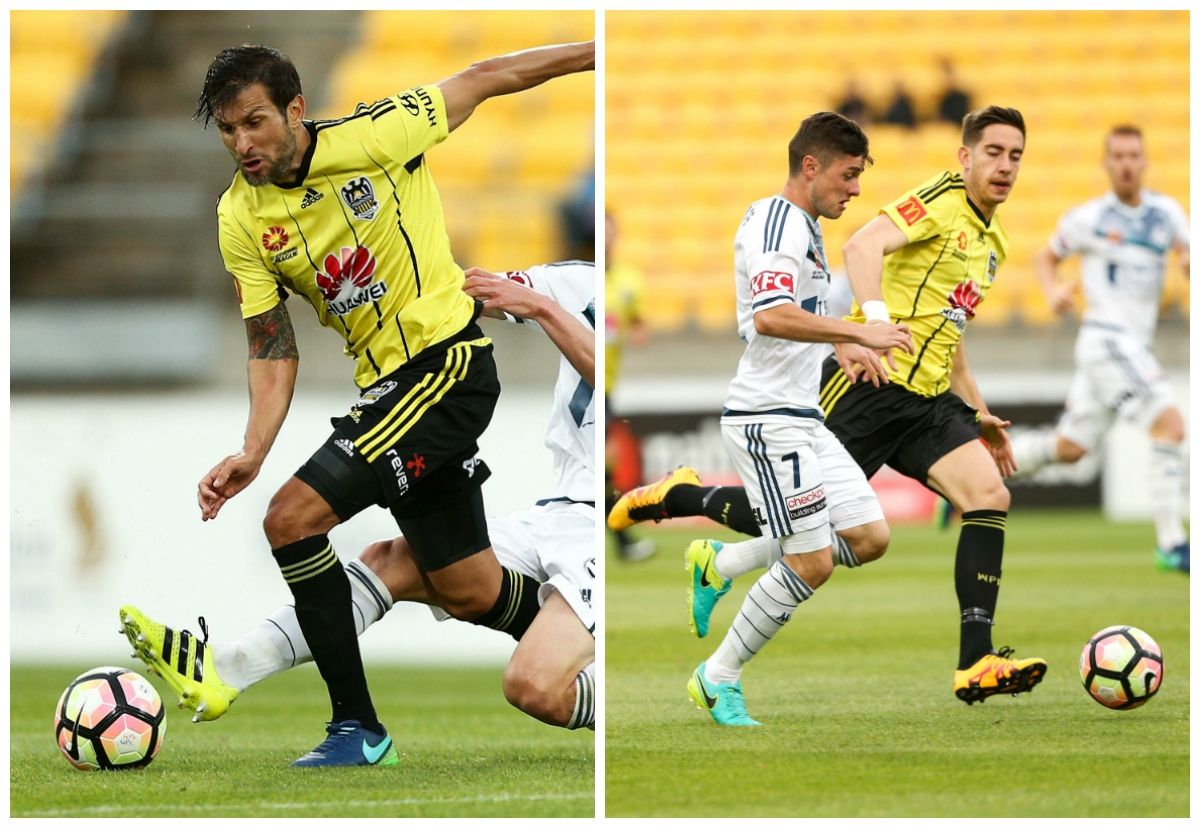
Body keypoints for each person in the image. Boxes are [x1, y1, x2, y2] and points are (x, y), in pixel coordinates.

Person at [118, 41, 594, 767]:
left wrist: (595, 52)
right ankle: (585, 645)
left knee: (291, 518)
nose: (242, 144)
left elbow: (484, 78)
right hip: (387, 391)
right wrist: (252, 449)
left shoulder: (378, 136)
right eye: (228, 130)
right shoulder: (239, 217)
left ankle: (356, 728)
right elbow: (271, 346)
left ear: (295, 110)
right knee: (467, 588)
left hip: (447, 369)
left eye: (254, 122)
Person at [612, 107, 1049, 707]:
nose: (1005, 166)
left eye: (1015, 155)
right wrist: (869, 328)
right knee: (803, 526)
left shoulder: (993, 242)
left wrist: (976, 411)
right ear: (965, 157)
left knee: (984, 497)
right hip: (869, 388)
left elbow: (951, 331)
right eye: (993, 152)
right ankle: (684, 504)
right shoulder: (937, 201)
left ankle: (975, 660)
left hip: (927, 402)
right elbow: (863, 248)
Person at [121, 262, 597, 732]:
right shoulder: (576, 280)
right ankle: (229, 666)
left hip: (602, 523)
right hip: (557, 513)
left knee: (533, 686)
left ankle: (605, 679)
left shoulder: (616, 303)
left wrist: (543, 309)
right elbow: (455, 291)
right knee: (395, 563)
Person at [683, 111, 912, 727]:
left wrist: (841, 344)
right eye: (848, 175)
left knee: (868, 538)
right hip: (767, 418)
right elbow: (770, 315)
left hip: (802, 416)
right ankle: (717, 677)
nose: (856, 189)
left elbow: (800, 311)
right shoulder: (776, 223)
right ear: (811, 166)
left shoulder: (805, 226)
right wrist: (859, 331)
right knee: (812, 561)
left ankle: (721, 563)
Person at [1010, 125, 1190, 573]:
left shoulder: (1166, 213)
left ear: (1144, 161)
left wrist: (1188, 261)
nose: (1126, 164)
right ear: (1107, 164)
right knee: (1170, 425)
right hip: (1107, 338)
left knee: (1070, 448)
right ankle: (1172, 543)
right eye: (1118, 156)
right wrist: (1052, 291)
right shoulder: (1088, 218)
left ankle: (979, 467)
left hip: (1130, 347)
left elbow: (1188, 252)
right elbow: (1045, 257)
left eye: (1133, 155)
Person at [604, 211, 656, 562]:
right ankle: (620, 538)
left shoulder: (628, 281)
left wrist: (636, 330)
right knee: (604, 460)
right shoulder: (584, 276)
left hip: (606, 382)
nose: (605, 239)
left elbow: (637, 322)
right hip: (584, 381)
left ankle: (620, 540)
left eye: (610, 232)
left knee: (603, 464)